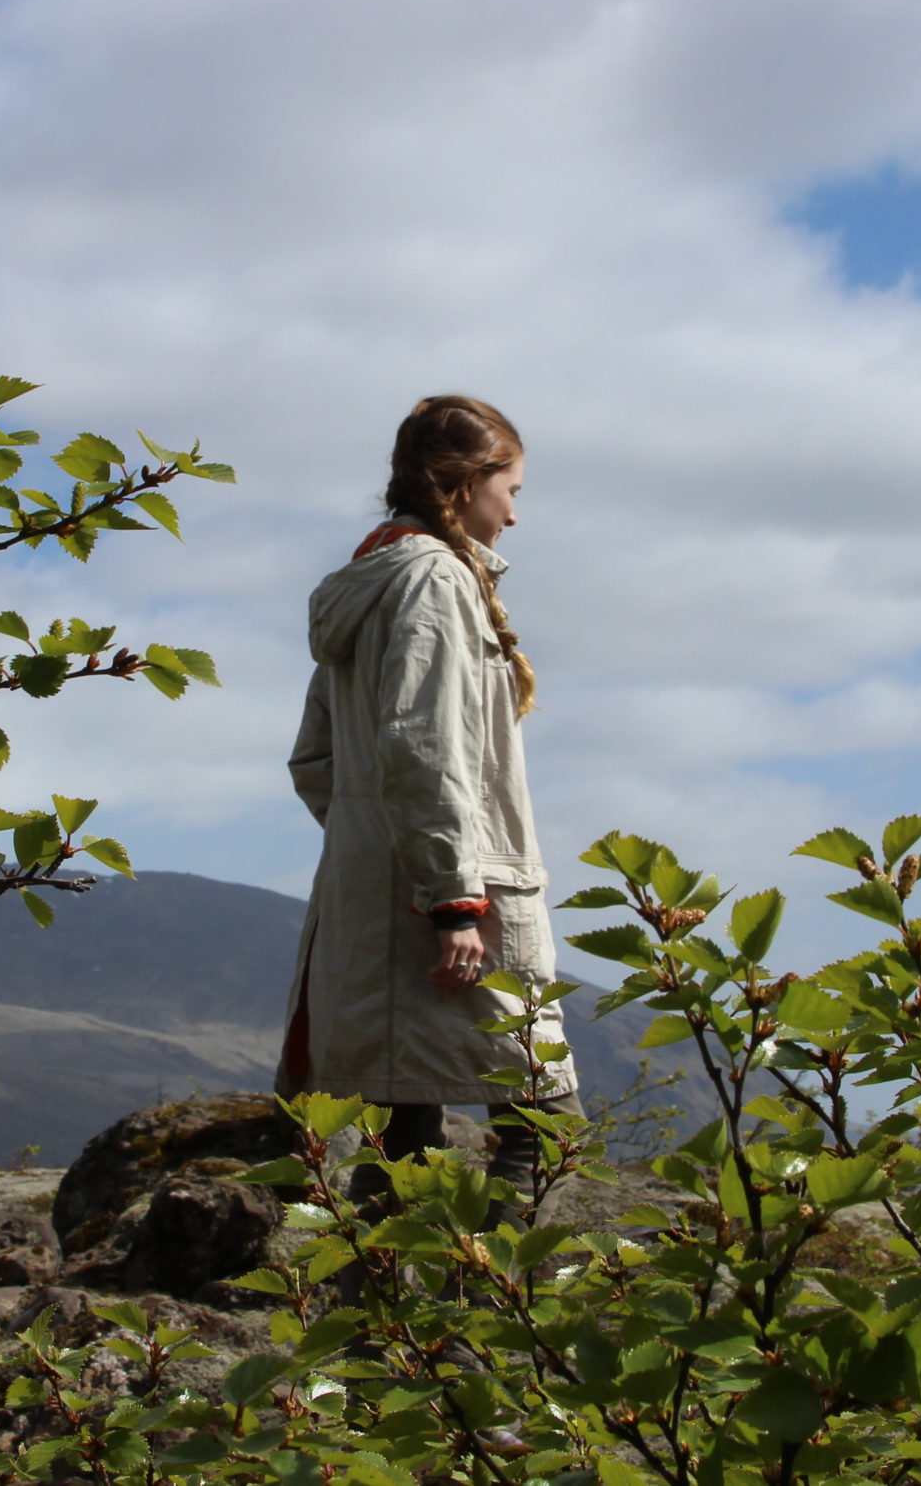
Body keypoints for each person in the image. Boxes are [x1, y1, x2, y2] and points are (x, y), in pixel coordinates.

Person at [279, 394, 579, 1227]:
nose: (515, 513)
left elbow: (318, 761)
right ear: (465, 482)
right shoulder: (436, 580)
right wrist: (451, 897)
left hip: (377, 894)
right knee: (540, 1115)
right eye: (510, 488)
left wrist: (374, 846)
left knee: (400, 1122)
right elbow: (424, 746)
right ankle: (505, 1319)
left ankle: (391, 1322)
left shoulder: (371, 585)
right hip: (460, 899)